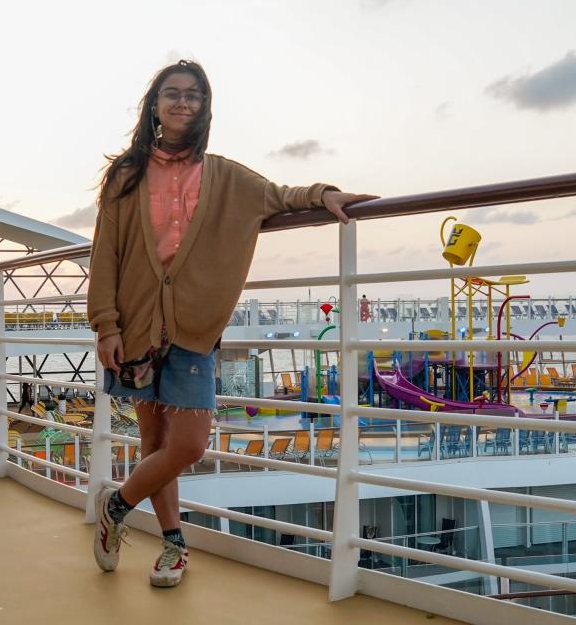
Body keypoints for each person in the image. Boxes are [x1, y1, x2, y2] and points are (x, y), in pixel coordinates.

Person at [87, 60, 375, 588]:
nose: (181, 102)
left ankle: (116, 505)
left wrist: (324, 194)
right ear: (153, 105)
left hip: (194, 328)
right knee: (154, 440)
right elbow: (105, 254)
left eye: (192, 95)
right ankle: (174, 548)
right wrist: (105, 324)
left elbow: (281, 195)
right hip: (135, 326)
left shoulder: (225, 176)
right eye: (170, 94)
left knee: (189, 444)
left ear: (205, 107)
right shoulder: (126, 175)